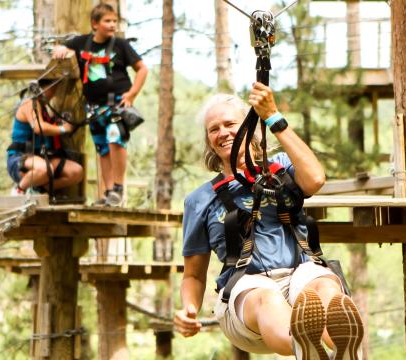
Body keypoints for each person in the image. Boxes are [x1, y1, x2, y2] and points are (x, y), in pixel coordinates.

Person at [174, 83, 364, 360]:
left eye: (230, 124)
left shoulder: (281, 170)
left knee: (323, 287)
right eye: (213, 129)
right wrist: (189, 308)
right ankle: (306, 348)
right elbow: (192, 274)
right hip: (245, 291)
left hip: (301, 273)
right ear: (209, 142)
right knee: (267, 298)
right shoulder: (200, 200)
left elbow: (315, 179)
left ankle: (336, 350)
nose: (223, 133)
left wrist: (273, 117)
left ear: (250, 129)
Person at [53, 3, 148, 206]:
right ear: (95, 24)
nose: (112, 25)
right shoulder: (81, 43)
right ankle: (108, 193)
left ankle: (119, 187)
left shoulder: (121, 45)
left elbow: (142, 69)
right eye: (107, 21)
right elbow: (63, 46)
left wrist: (132, 94)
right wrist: (60, 48)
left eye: (114, 21)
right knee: (103, 150)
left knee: (115, 139)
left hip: (116, 105)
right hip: (94, 109)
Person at [7, 79, 83, 195]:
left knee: (76, 172)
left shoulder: (43, 109)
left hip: (42, 158)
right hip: (20, 159)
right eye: (52, 89)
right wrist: (63, 129)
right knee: (45, 169)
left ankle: (39, 190)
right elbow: (39, 128)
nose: (54, 94)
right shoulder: (29, 103)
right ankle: (19, 190)